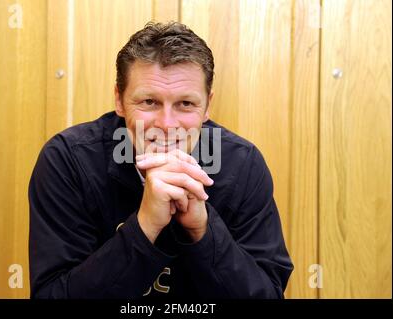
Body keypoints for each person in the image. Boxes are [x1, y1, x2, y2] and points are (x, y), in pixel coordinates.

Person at [28, 21, 293, 299]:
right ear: (119, 100)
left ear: (207, 106)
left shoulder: (244, 165)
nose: (167, 125)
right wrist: (145, 226)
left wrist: (202, 229)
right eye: (149, 102)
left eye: (186, 104)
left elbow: (268, 294)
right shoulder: (67, 160)